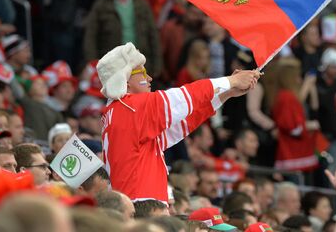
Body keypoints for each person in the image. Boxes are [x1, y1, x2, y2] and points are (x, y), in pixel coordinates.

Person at [98, 42, 260, 204]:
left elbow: (180, 124)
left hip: (135, 204)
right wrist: (230, 81)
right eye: (142, 71)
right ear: (124, 80)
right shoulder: (131, 107)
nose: (149, 78)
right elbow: (185, 96)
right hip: (139, 206)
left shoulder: (121, 111)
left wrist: (226, 94)